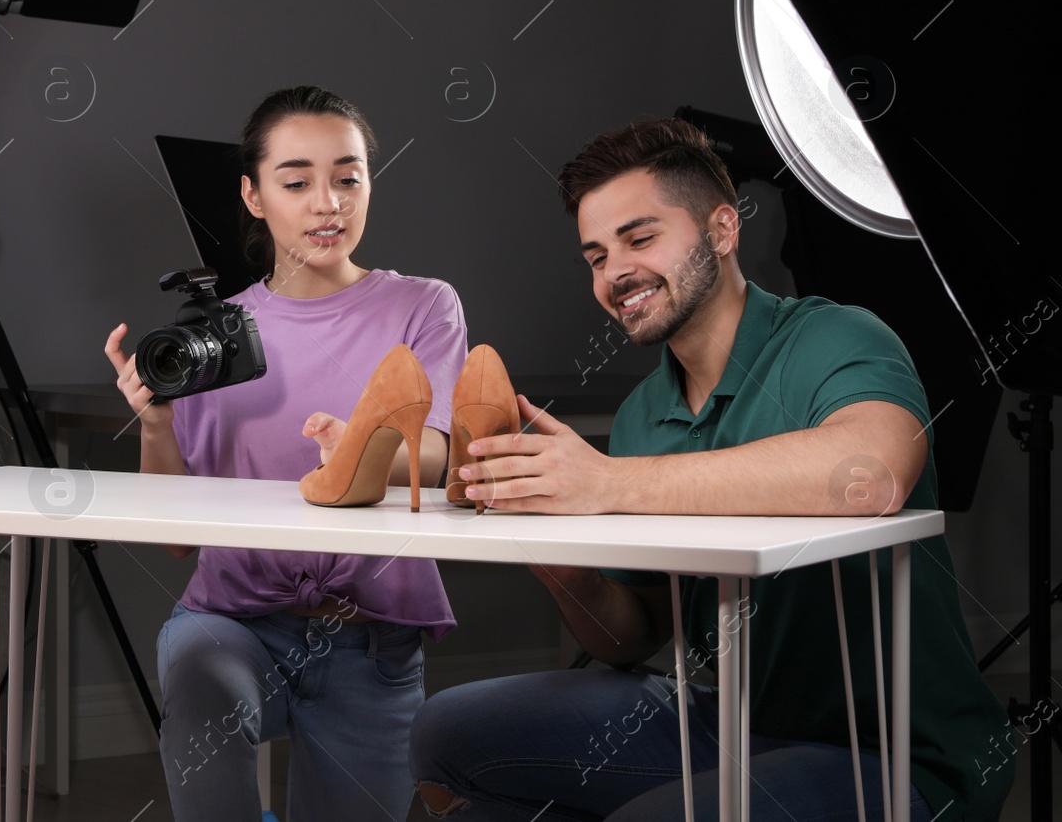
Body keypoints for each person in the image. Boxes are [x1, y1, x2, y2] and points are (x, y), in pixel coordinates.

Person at [408, 119, 1011, 821]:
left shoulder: (836, 336)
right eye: (596, 256)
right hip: (724, 724)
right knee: (445, 732)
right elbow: (633, 635)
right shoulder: (641, 414)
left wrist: (608, 484)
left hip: (896, 754)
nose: (614, 274)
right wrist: (561, 562)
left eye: (640, 238)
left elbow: (868, 474)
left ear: (723, 229)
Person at [105, 85, 469, 822]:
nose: (327, 202)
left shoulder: (423, 305)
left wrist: (359, 448)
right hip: (233, 619)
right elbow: (177, 539)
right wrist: (155, 421)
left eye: (348, 176)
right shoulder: (217, 332)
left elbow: (440, 456)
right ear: (254, 195)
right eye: (297, 181)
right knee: (201, 681)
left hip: (372, 639)